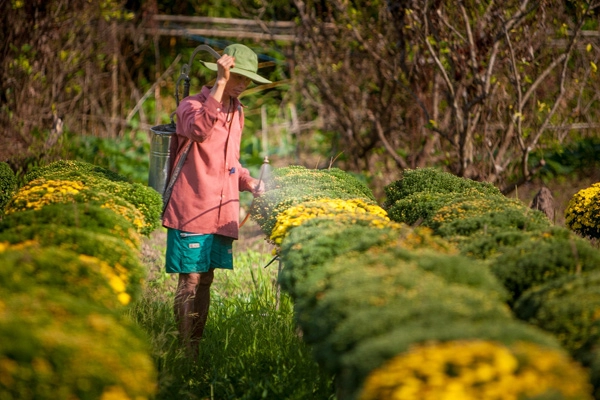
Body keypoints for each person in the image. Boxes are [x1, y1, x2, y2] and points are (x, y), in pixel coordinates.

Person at [162, 43, 271, 356]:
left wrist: (249, 181)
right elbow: (198, 130)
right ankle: (185, 352)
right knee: (190, 280)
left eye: (248, 81)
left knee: (206, 279)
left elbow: (229, 161)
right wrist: (221, 85)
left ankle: (195, 344)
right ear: (223, 71)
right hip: (191, 207)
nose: (244, 85)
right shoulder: (191, 106)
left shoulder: (237, 111)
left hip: (221, 210)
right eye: (239, 77)